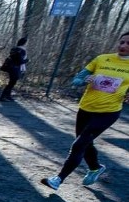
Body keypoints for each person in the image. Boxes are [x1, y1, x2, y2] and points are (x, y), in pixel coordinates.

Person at [42, 31, 129, 190]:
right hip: (86, 108)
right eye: (122, 42)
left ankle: (58, 179)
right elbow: (77, 79)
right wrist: (83, 80)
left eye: (128, 44)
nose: (123, 46)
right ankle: (96, 168)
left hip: (108, 112)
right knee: (85, 143)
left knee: (79, 144)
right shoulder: (102, 58)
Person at [0, 37, 28, 101]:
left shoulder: (14, 48)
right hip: (16, 68)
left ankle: (7, 96)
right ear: (24, 43)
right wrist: (27, 60)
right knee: (12, 83)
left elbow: (13, 58)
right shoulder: (23, 50)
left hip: (10, 67)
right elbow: (20, 61)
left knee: (11, 82)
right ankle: (3, 96)